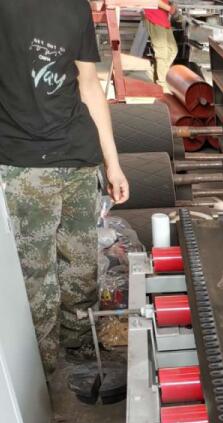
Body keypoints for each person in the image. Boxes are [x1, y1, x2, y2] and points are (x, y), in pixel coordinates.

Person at [0, 0, 129, 376]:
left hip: (78, 159)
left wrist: (113, 164)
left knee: (81, 267)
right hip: (24, 166)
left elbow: (89, 86)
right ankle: (37, 376)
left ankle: (81, 346)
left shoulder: (75, 8)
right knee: (34, 280)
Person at [144, 3, 178, 92]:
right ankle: (162, 84)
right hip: (154, 16)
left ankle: (154, 73)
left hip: (163, 17)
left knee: (172, 50)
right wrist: (170, 9)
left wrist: (171, 5)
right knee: (162, 53)